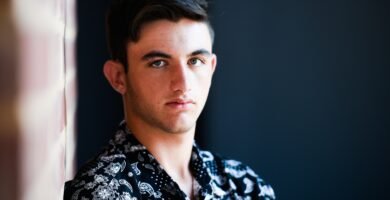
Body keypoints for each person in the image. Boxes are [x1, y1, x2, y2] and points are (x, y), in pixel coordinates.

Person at [64, 0, 275, 199]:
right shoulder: (98, 193)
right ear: (118, 77)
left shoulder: (247, 188)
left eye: (195, 61)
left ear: (211, 68)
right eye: (159, 63)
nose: (182, 84)